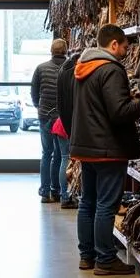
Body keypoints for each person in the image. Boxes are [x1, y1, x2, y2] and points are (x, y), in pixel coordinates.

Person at [69, 25, 140, 275]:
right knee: (106, 204)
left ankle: (87, 255)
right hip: (108, 147)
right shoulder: (111, 69)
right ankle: (105, 259)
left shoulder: (83, 67)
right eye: (125, 47)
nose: (126, 51)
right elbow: (119, 112)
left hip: (86, 145)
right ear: (114, 45)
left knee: (88, 202)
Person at [31, 38, 68, 203]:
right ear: (66, 51)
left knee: (46, 153)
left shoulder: (40, 68)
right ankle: (58, 191)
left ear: (51, 51)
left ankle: (45, 192)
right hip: (63, 118)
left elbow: (34, 92)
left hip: (45, 115)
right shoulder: (71, 68)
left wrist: (38, 107)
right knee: (61, 155)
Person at [55, 47, 80, 209]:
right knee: (65, 159)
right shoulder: (74, 77)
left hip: (60, 124)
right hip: (66, 126)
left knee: (61, 159)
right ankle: (65, 196)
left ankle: (64, 193)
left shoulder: (65, 73)